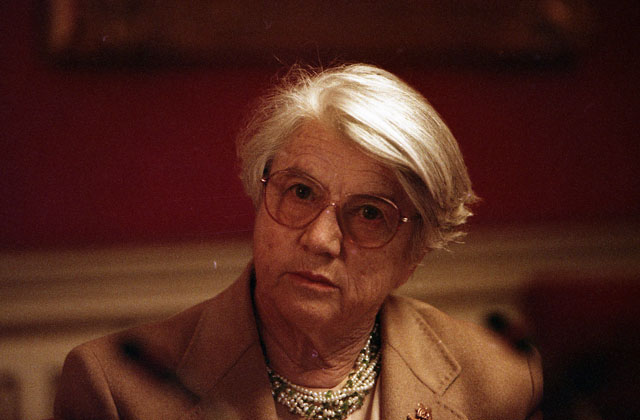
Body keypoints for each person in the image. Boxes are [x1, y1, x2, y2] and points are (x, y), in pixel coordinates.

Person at [54, 64, 542, 420]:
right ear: (260, 192)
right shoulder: (114, 388)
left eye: (370, 213)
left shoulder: (501, 381)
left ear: (416, 253)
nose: (320, 239)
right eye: (302, 192)